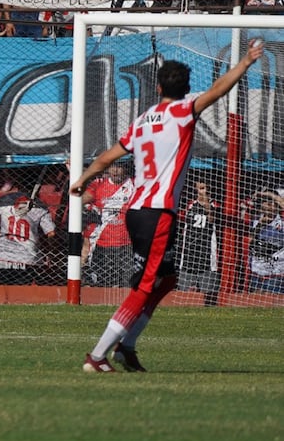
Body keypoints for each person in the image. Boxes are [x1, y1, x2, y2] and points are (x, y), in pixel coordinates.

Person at [71, 38, 264, 373]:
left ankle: (126, 348)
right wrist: (245, 62)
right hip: (157, 213)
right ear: (187, 89)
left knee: (166, 279)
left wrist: (82, 180)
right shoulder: (183, 111)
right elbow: (218, 90)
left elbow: (106, 157)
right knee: (146, 285)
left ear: (158, 86)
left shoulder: (144, 120)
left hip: (136, 212)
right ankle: (97, 356)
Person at [0, 192, 57, 285]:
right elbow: (51, 233)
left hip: (4, 254)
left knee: (2, 288)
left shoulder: (5, 200)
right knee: (23, 290)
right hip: (27, 256)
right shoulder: (40, 207)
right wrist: (50, 250)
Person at [82, 162, 134, 287]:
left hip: (127, 244)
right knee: (102, 283)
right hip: (103, 243)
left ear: (125, 169)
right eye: (113, 167)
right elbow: (81, 198)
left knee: (129, 284)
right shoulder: (98, 184)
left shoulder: (133, 185)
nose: (115, 171)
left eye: (119, 167)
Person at [177, 180, 220, 306]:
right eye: (201, 188)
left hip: (207, 255)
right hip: (189, 255)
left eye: (205, 188)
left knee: (209, 294)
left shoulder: (215, 205)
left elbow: (212, 218)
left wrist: (206, 199)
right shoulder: (189, 204)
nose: (203, 191)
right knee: (184, 295)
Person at [246, 190, 284, 294]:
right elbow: (248, 244)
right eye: (266, 201)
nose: (270, 204)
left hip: (276, 273)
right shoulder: (254, 220)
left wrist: (267, 194)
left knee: (269, 299)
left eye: (273, 201)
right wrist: (259, 226)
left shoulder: (282, 221)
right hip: (256, 272)